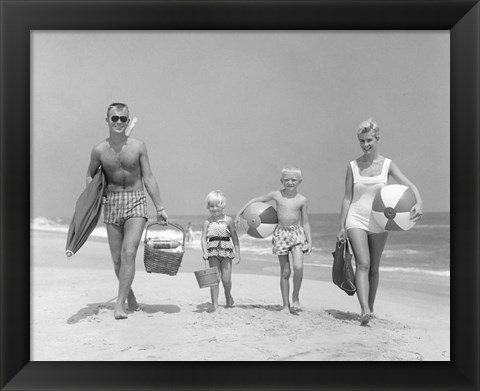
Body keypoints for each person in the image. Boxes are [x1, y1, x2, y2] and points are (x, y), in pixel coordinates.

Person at [86, 102, 168, 320]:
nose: (119, 123)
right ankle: (130, 296)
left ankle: (119, 305)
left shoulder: (138, 146)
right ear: (107, 121)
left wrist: (160, 207)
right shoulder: (99, 150)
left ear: (127, 120)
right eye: (115, 118)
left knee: (129, 253)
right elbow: (90, 175)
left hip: (135, 200)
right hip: (111, 201)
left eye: (123, 119)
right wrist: (92, 200)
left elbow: (148, 177)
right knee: (117, 260)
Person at [337, 118, 423, 326]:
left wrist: (418, 202)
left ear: (377, 139)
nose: (365, 145)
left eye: (369, 140)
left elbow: (409, 184)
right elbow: (348, 197)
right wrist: (341, 226)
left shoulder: (387, 165)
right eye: (361, 141)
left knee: (374, 267)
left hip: (380, 221)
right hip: (355, 218)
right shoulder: (352, 166)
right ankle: (364, 309)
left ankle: (370, 311)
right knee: (363, 263)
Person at [236, 166, 312, 314]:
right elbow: (255, 200)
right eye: (287, 179)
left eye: (293, 180)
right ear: (281, 180)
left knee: (298, 267)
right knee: (285, 271)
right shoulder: (277, 195)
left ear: (300, 181)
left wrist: (310, 241)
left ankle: (295, 297)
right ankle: (285, 304)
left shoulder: (302, 200)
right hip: (281, 234)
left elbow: (306, 222)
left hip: (297, 234)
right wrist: (240, 212)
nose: (290, 182)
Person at [201, 191, 241, 311]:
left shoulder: (228, 220)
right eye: (211, 206)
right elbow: (203, 238)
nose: (214, 209)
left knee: (226, 279)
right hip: (212, 252)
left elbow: (235, 237)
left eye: (217, 206)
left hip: (226, 252)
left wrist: (238, 253)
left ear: (222, 205)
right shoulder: (207, 222)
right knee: (214, 279)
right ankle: (215, 304)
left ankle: (228, 295)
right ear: (208, 207)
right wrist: (204, 251)